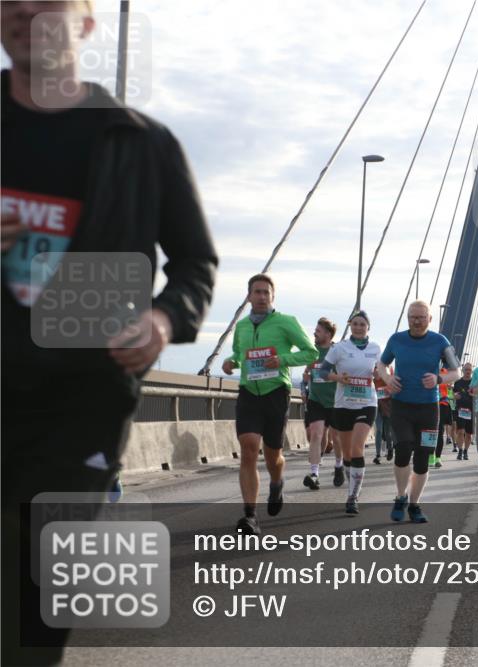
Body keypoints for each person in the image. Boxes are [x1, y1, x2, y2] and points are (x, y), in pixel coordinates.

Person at [1, 3, 217, 663]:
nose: (23, 10)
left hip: (83, 403)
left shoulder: (141, 142)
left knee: (37, 600)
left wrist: (162, 319)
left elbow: (193, 263)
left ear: (86, 24)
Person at [223, 274, 317, 534]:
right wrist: (231, 363)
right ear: (249, 296)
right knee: (249, 447)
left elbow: (311, 352)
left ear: (273, 296)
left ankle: (276, 483)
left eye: (266, 292)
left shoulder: (286, 322)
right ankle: (250, 516)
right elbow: (240, 354)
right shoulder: (241, 326)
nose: (262, 297)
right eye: (257, 292)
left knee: (273, 455)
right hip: (248, 393)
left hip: (276, 392)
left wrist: (283, 360)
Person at [377, 301, 460, 523]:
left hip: (428, 408)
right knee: (403, 447)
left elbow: (457, 372)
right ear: (407, 317)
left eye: (421, 317)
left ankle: (414, 505)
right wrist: (387, 378)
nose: (416, 321)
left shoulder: (440, 341)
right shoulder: (396, 340)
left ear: (430, 319)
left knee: (423, 457)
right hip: (402, 405)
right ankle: (400, 496)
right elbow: (381, 365)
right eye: (413, 317)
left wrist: (438, 379)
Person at [317, 311, 381, 515]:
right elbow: (323, 371)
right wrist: (338, 378)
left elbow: (382, 371)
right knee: (347, 454)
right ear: (350, 326)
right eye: (355, 324)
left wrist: (381, 375)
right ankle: (348, 473)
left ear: (368, 327)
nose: (359, 327)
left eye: (363, 324)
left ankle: (353, 497)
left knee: (357, 448)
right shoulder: (340, 348)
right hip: (343, 404)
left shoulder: (376, 348)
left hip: (367, 403)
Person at [301, 318, 338, 489]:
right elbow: (306, 373)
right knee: (315, 434)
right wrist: (305, 381)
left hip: (336, 402)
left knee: (337, 438)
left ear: (328, 335)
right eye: (315, 330)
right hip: (316, 400)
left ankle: (339, 465)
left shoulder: (337, 352)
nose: (315, 333)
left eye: (318, 331)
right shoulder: (312, 352)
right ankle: (314, 473)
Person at [453, 362, 475, 460]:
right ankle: (460, 451)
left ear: (472, 371)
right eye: (466, 370)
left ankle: (466, 451)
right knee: (460, 431)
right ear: (463, 370)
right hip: (461, 409)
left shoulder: (475, 383)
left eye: (469, 370)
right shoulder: (457, 383)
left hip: (471, 410)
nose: (468, 372)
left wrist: (474, 395)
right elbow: (452, 394)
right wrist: (454, 396)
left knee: (469, 434)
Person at [373, 368, 394, 464]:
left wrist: (388, 392)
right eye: (374, 371)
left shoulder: (385, 381)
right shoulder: (372, 382)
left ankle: (390, 449)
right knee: (379, 430)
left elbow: (393, 392)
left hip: (387, 409)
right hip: (377, 408)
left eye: (377, 371)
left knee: (387, 432)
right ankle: (378, 455)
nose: (376, 373)